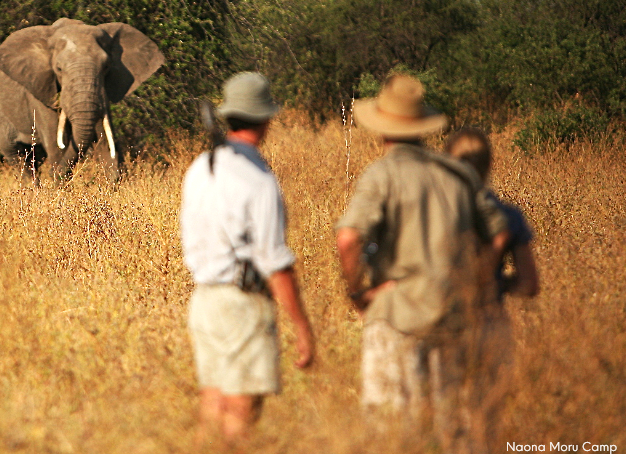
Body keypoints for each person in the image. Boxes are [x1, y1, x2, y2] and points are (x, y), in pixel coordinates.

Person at [334, 75, 509, 453]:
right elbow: (499, 234)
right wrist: (474, 283)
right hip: (453, 315)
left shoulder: (382, 174)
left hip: (397, 316)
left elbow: (348, 238)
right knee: (450, 428)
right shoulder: (457, 173)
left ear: (382, 128)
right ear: (421, 127)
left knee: (392, 432)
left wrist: (358, 293)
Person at [182, 72, 315, 447]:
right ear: (266, 118)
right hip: (242, 303)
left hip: (204, 300)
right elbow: (274, 261)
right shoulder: (259, 179)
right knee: (242, 411)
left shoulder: (198, 169)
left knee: (214, 403)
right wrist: (303, 327)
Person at [445, 127, 540, 453]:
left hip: (444, 321)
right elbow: (529, 285)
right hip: (491, 321)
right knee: (487, 417)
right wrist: (497, 283)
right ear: (490, 165)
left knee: (446, 415)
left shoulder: (436, 214)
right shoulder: (509, 216)